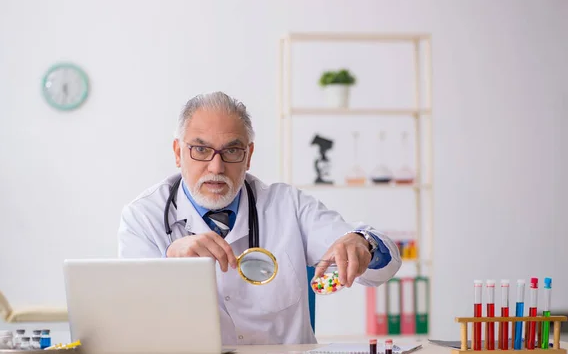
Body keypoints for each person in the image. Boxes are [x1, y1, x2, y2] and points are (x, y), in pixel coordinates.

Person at [118, 91, 402, 345]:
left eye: (231, 150)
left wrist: (363, 244)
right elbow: (132, 325)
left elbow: (382, 267)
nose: (216, 167)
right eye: (201, 149)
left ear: (248, 155)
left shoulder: (287, 205)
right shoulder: (143, 217)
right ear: (178, 152)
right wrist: (168, 264)